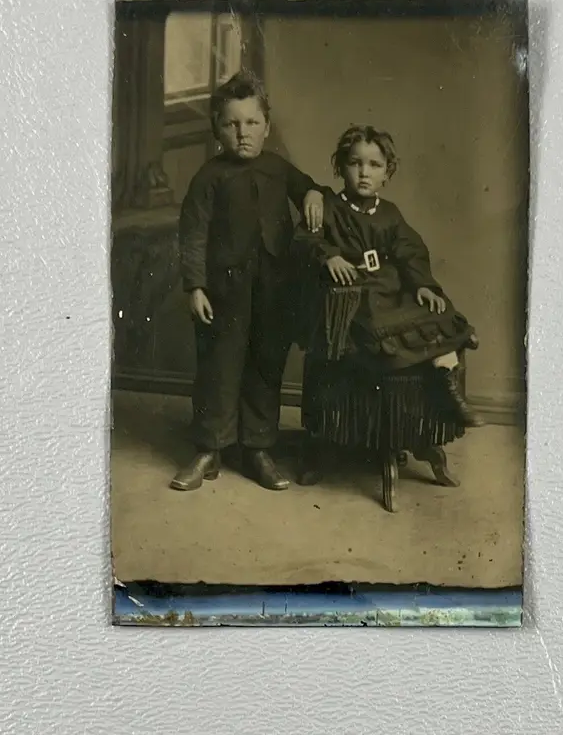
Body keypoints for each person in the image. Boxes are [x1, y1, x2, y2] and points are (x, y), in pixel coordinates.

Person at [170, 71, 324, 493]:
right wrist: (195, 286)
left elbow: (307, 186)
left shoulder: (277, 168)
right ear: (216, 129)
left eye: (252, 123)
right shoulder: (210, 176)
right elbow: (193, 233)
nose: (243, 133)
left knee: (264, 364)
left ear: (267, 126)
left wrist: (313, 194)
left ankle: (257, 447)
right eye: (232, 124)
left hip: (274, 287)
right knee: (220, 367)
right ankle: (210, 449)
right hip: (225, 291)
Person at [292, 124, 484, 428]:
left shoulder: (389, 213)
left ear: (387, 173)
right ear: (341, 167)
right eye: (355, 163)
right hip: (354, 293)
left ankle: (446, 384)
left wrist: (423, 285)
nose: (364, 173)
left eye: (374, 165)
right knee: (378, 325)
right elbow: (305, 238)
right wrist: (330, 255)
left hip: (389, 286)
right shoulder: (330, 206)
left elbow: (410, 250)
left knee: (439, 310)